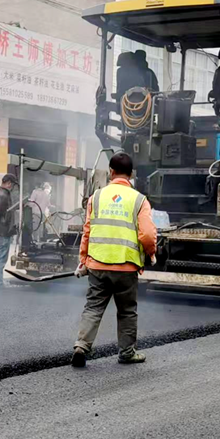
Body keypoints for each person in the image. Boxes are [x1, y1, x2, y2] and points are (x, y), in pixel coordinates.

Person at [71, 152, 157, 367]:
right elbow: (147, 234)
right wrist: (151, 253)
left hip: (97, 265)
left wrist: (83, 260)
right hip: (126, 267)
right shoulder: (139, 200)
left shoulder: (96, 197)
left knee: (93, 307)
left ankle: (82, 346)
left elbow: (87, 231)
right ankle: (127, 353)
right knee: (127, 310)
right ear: (132, 174)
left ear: (110, 172)